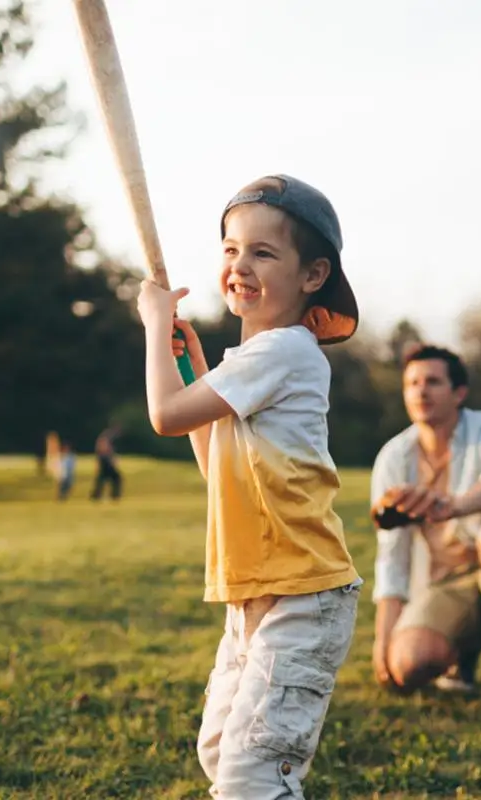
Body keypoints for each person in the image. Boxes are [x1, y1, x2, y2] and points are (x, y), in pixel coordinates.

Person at [137, 174, 362, 799]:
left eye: (263, 253)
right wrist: (193, 366)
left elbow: (163, 415)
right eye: (231, 249)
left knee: (253, 774)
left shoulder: (286, 351)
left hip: (301, 596)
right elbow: (214, 465)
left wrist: (156, 326)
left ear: (312, 276)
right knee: (222, 752)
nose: (240, 264)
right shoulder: (253, 365)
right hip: (258, 594)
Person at [370, 344, 481, 725]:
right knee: (408, 666)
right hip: (446, 585)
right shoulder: (394, 456)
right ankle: (462, 655)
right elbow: (391, 556)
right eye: (411, 383)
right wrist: (383, 640)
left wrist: (450, 507)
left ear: (459, 392)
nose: (420, 391)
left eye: (432, 382)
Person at [90, 425, 122, 500]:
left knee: (102, 480)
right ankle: (113, 495)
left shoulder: (106, 436)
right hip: (105, 462)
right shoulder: (107, 437)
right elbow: (105, 449)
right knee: (113, 478)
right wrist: (111, 459)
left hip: (104, 462)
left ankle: (98, 496)